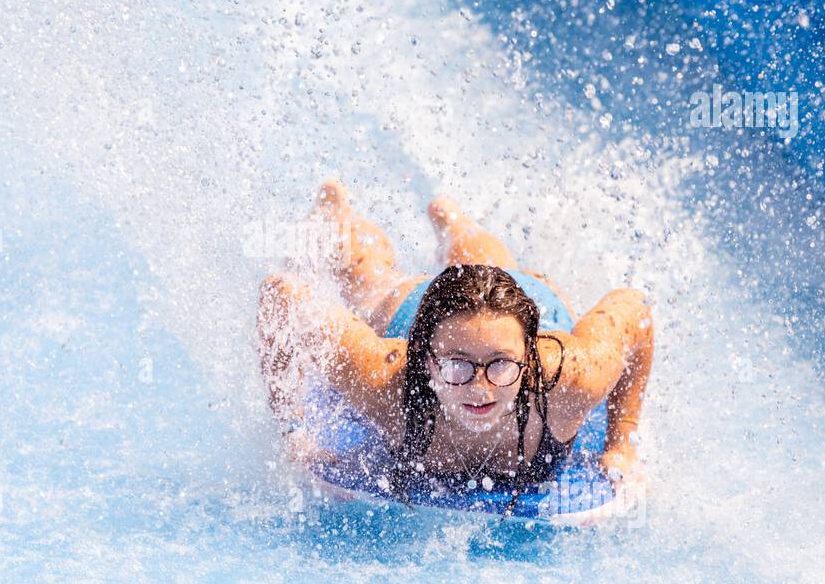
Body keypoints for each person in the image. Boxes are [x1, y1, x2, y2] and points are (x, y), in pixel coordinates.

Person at [257, 179, 653, 499]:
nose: (479, 389)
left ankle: (453, 223)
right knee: (369, 279)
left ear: (529, 359)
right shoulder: (386, 382)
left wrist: (622, 444)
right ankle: (335, 209)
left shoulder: (572, 378)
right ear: (425, 361)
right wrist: (294, 431)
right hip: (421, 312)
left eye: (500, 367)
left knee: (494, 272)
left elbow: (635, 309)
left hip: (530, 304)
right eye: (456, 367)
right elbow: (281, 295)